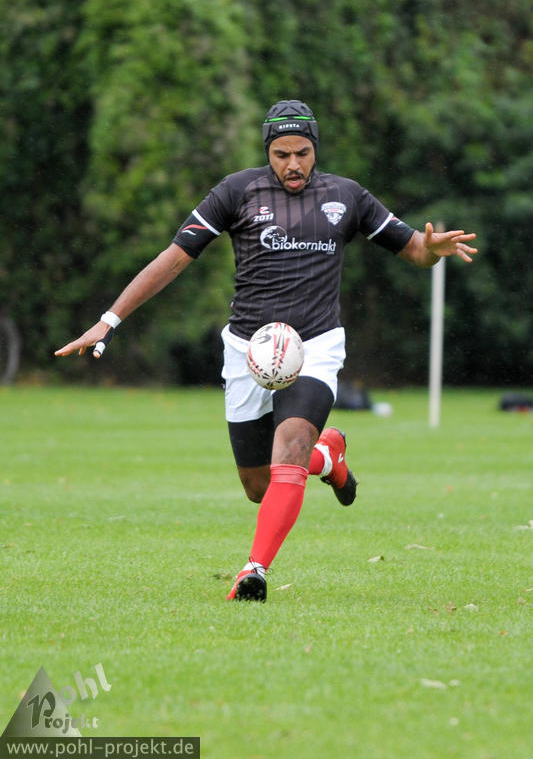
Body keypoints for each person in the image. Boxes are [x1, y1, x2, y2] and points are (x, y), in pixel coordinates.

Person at [55, 100, 477, 602]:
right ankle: (328, 457)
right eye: (282, 154)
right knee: (259, 486)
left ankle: (253, 571)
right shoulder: (236, 192)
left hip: (314, 345)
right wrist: (108, 321)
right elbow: (174, 259)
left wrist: (431, 251)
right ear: (267, 152)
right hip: (248, 351)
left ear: (315, 149)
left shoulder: (347, 196)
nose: (293, 164)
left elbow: (414, 250)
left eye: (302, 153)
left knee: (290, 449)